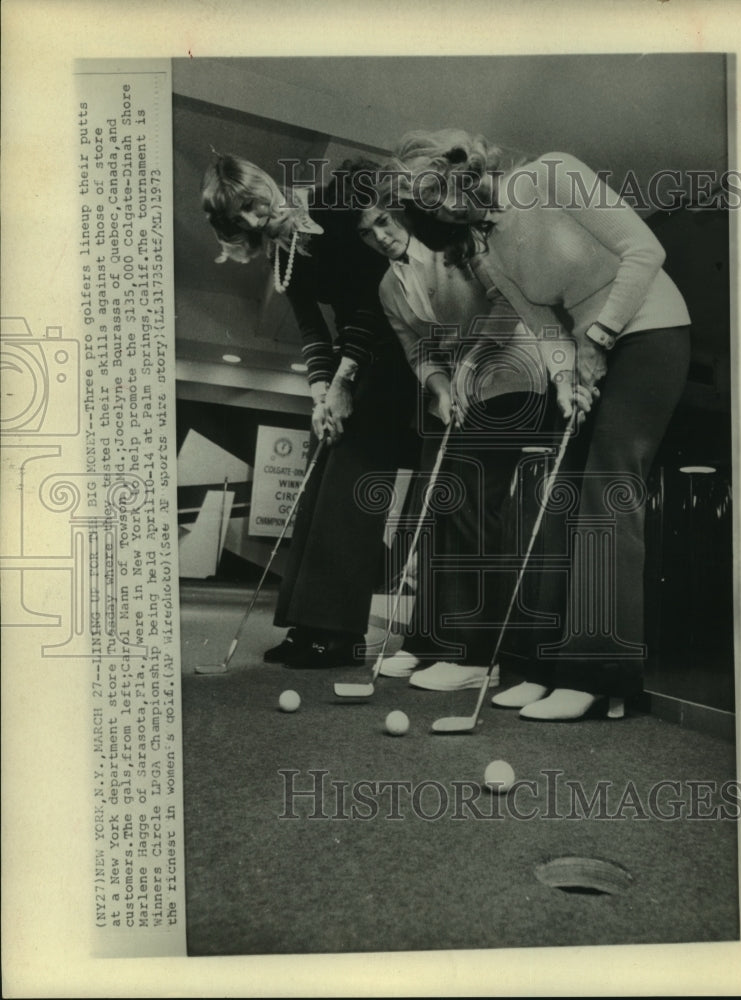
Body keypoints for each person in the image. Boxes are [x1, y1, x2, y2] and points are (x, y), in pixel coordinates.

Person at [393, 129, 691, 719]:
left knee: (608, 489)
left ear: (461, 165)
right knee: (548, 495)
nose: (444, 208)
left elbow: (645, 252)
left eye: (439, 190)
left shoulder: (551, 173)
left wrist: (599, 338)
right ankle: (534, 665)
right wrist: (564, 378)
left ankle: (597, 673)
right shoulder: (486, 253)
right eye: (427, 206)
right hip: (588, 346)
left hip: (652, 326)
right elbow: (547, 328)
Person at [353, 185, 592, 692]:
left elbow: (511, 304)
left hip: (515, 377)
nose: (380, 235)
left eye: (384, 221)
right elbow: (416, 350)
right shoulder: (386, 288)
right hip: (462, 394)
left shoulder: (454, 247)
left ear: (404, 215)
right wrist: (440, 388)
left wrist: (466, 363)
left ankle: (476, 655)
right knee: (447, 506)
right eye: (366, 231)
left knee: (474, 505)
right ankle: (431, 643)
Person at [202, 154, 418, 668]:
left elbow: (374, 296)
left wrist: (345, 381)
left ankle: (339, 634)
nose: (257, 220)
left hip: (393, 350)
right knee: (320, 484)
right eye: (242, 221)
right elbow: (312, 332)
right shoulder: (283, 259)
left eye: (254, 204)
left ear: (265, 183)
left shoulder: (335, 206)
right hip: (350, 360)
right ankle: (306, 626)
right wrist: (320, 392)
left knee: (350, 486)